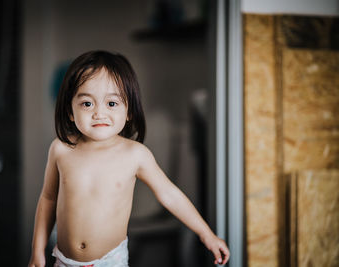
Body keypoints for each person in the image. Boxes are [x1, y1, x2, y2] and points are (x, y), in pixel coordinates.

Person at [28, 50, 230, 267]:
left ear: (129, 111)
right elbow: (48, 199)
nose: (99, 113)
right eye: (87, 103)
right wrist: (37, 250)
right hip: (63, 260)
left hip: (110, 261)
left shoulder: (135, 154)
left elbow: (170, 194)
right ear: (70, 110)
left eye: (111, 104)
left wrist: (206, 234)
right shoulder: (61, 149)